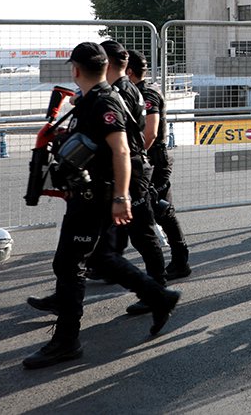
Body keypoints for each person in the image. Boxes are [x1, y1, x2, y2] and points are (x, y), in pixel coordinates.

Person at [22, 43, 179, 369]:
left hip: (99, 195)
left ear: (76, 69)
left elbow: (122, 150)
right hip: (89, 193)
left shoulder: (105, 101)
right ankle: (158, 295)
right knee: (98, 258)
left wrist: (122, 197)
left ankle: (66, 340)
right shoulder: (91, 100)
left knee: (70, 264)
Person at [100, 40, 167, 316]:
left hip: (133, 169)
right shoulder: (126, 89)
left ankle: (158, 290)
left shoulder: (122, 92)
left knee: (143, 233)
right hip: (128, 169)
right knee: (115, 235)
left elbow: (139, 137)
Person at [126, 49, 192, 279]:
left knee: (161, 210)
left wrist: (131, 156)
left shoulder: (147, 94)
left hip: (154, 161)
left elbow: (150, 133)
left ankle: (180, 262)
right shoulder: (139, 91)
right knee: (158, 210)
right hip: (150, 161)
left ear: (129, 71)